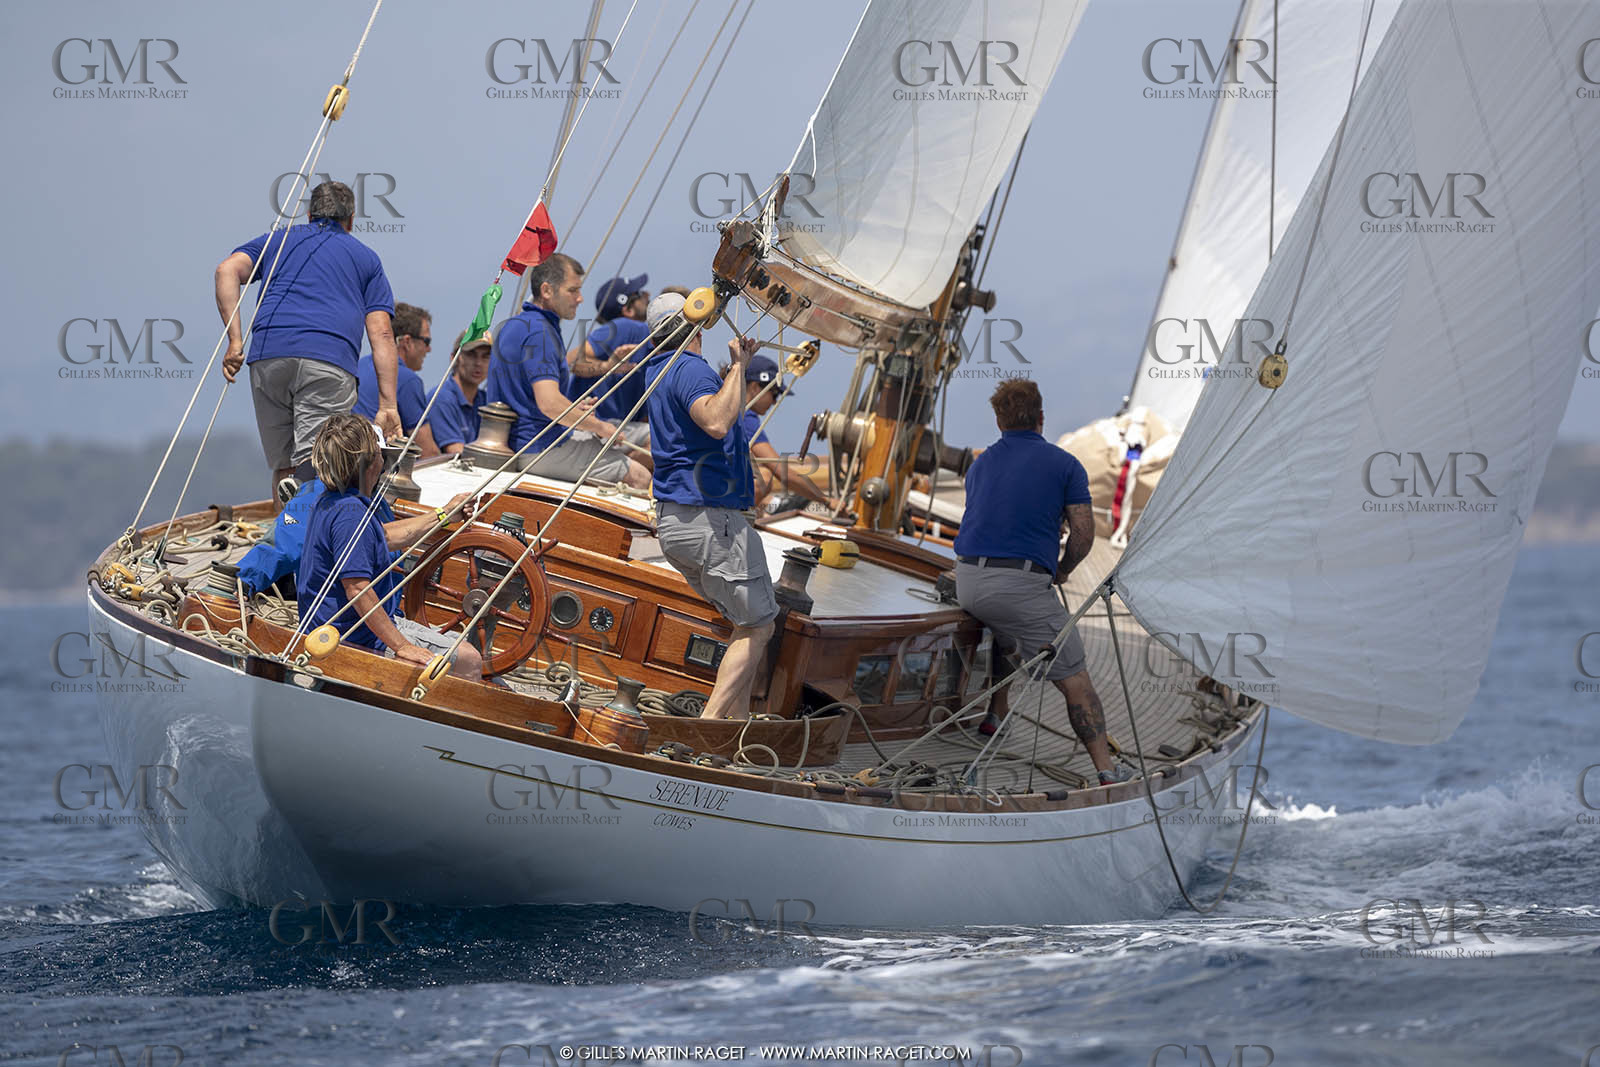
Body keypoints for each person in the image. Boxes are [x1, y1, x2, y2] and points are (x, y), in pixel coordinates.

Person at [952, 379, 1130, 786]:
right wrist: (1063, 568)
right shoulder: (1066, 466)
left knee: (1006, 630)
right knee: (1076, 680)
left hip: (968, 581)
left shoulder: (979, 465)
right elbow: (1084, 536)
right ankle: (1107, 770)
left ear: (998, 421)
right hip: (1017, 587)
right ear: (1041, 417)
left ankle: (995, 715)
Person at [216, 180, 400, 502]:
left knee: (283, 466)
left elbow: (226, 270)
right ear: (352, 219)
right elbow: (382, 332)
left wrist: (235, 341)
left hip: (269, 357)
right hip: (327, 361)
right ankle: (307, 531)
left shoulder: (279, 240)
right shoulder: (366, 259)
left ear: (309, 214)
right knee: (319, 462)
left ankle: (286, 538)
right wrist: (387, 405)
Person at [644, 292, 777, 720]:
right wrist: (739, 365)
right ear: (696, 323)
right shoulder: (688, 367)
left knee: (744, 622)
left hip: (677, 524)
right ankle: (708, 727)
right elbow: (716, 422)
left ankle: (733, 731)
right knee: (759, 626)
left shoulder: (657, 370)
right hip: (709, 521)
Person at [297, 413, 484, 681]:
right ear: (372, 462)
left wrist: (445, 514)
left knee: (459, 642)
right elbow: (358, 588)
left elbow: (382, 537)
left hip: (335, 625)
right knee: (469, 659)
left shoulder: (333, 502)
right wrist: (403, 646)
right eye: (382, 455)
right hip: (353, 635)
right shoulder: (351, 513)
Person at [484, 253, 650, 489]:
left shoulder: (517, 325)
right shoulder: (540, 333)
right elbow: (549, 405)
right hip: (539, 447)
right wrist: (601, 427)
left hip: (523, 442)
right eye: (573, 291)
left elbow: (528, 397)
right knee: (640, 477)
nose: (580, 298)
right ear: (547, 291)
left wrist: (576, 410)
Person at [725, 355, 829, 508]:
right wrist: (826, 500)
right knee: (764, 477)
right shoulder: (745, 416)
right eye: (774, 393)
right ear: (754, 388)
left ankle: (770, 506)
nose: (774, 401)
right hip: (719, 507)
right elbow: (779, 469)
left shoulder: (732, 409)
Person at [354, 302, 441, 457]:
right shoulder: (408, 380)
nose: (429, 349)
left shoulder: (360, 365)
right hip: (373, 469)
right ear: (407, 342)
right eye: (426, 342)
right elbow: (427, 451)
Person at [567, 273, 653, 428]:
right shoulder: (626, 327)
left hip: (608, 429)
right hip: (594, 426)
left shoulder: (637, 335)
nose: (648, 295)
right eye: (640, 294)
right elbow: (571, 361)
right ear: (628, 310)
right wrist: (607, 367)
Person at [430, 330, 493, 455]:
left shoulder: (485, 400)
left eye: (485, 356)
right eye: (471, 354)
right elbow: (457, 454)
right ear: (454, 358)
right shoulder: (442, 399)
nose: (478, 363)